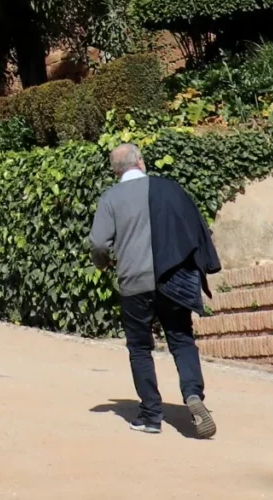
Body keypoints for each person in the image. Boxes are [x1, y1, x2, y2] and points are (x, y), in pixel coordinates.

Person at [86, 142, 218, 439]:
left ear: (115, 171)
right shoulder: (169, 189)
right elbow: (195, 227)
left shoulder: (111, 198)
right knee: (181, 339)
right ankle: (193, 393)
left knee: (140, 347)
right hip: (173, 277)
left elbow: (97, 243)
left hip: (135, 282)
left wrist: (103, 263)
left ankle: (151, 416)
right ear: (141, 163)